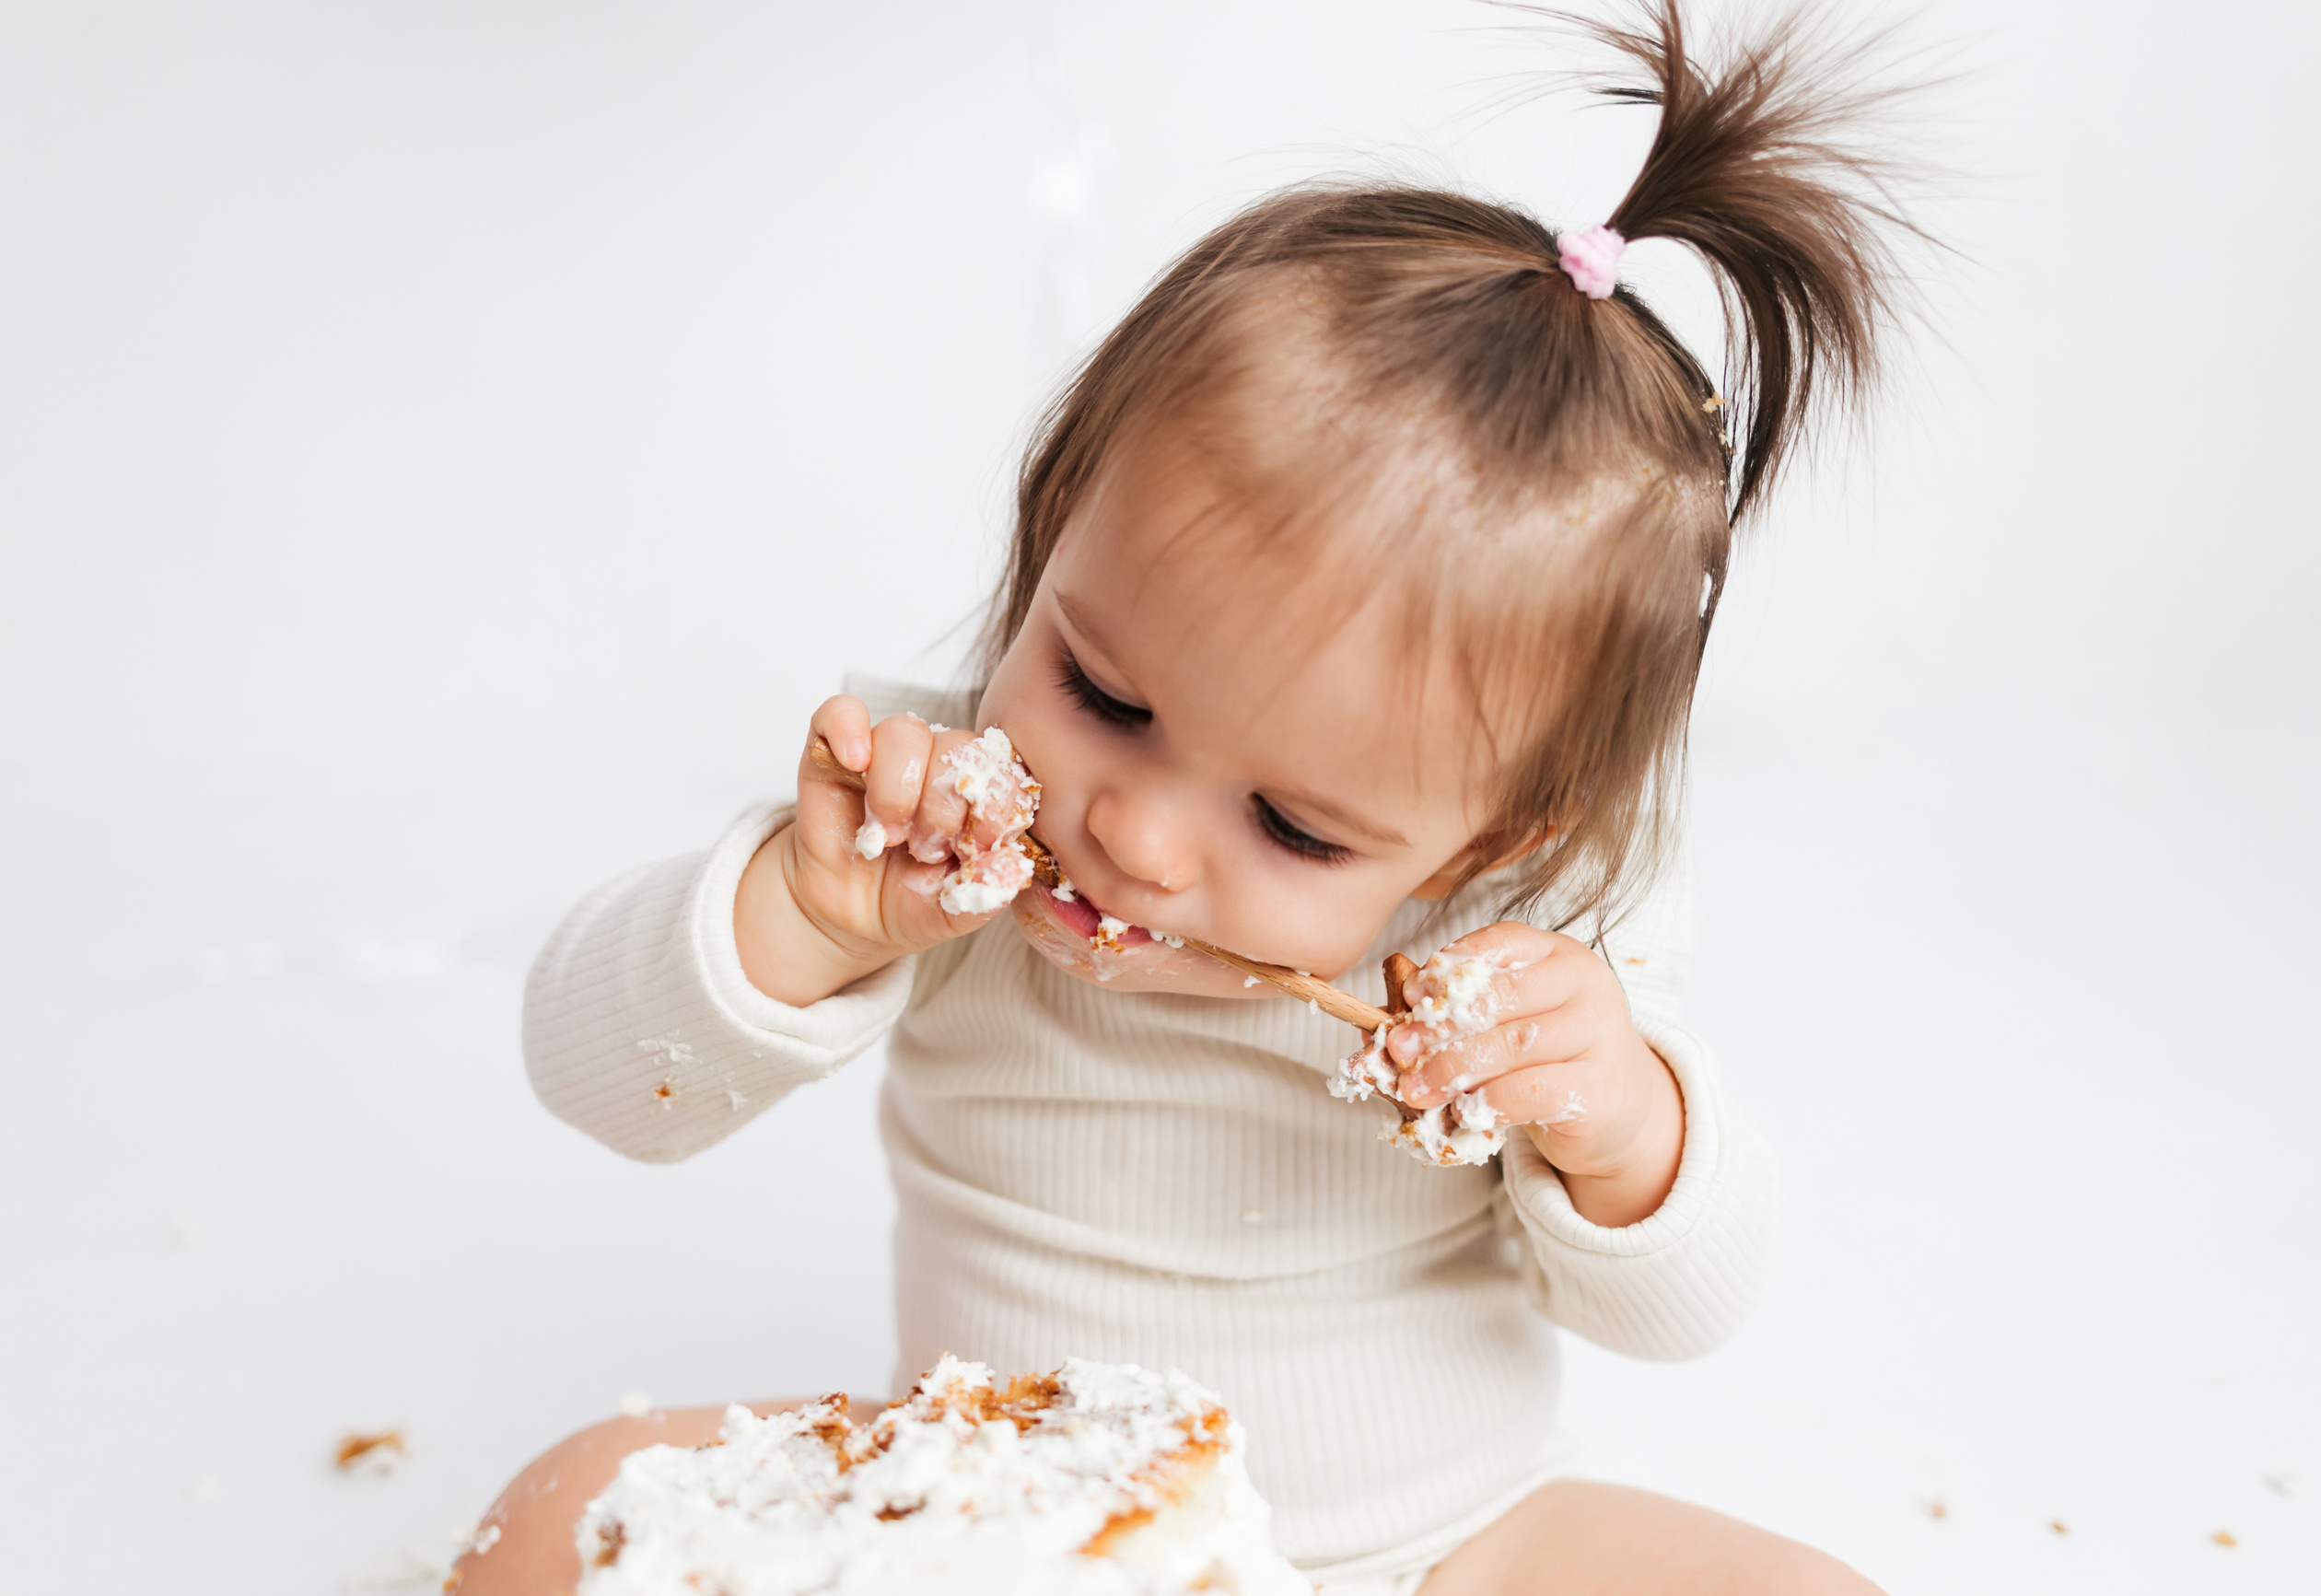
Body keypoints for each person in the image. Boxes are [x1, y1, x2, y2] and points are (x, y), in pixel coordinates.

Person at [456, 5, 1927, 1590]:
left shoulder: (1532, 945)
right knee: (565, 1502)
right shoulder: (908, 824)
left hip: (1434, 1546)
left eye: (1294, 827)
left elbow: (1684, 1309)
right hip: (1003, 1526)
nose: (1135, 833)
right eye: (1104, 694)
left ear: (1499, 836)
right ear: (1052, 534)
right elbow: (588, 1072)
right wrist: (803, 922)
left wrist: (1622, 1120)